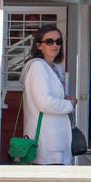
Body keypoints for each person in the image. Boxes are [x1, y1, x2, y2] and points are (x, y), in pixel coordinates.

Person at [19, 26, 77, 165]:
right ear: (39, 45)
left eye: (58, 42)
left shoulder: (55, 68)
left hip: (56, 137)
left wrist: (64, 98)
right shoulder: (38, 67)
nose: (55, 45)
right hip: (46, 141)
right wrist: (70, 104)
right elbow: (44, 103)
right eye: (49, 41)